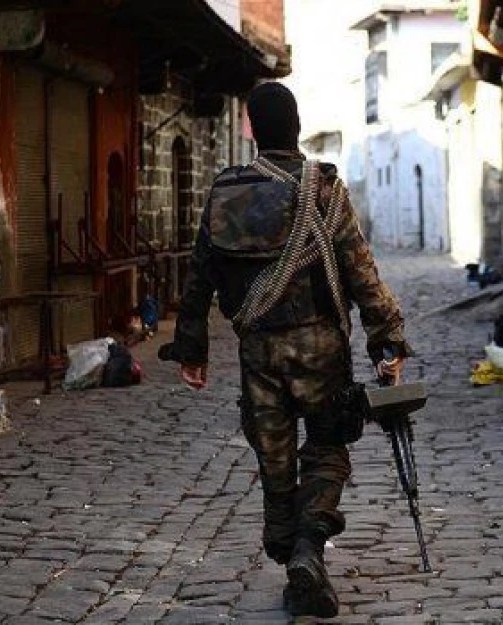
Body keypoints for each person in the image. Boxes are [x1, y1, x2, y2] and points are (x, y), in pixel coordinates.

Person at [160, 82, 410, 618]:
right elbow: (361, 270)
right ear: (296, 126)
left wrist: (192, 349)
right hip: (320, 346)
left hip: (258, 351)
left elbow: (200, 275)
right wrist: (387, 338)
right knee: (326, 447)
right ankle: (306, 548)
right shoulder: (322, 188)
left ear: (251, 126)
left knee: (273, 456)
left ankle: (284, 541)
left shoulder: (225, 190)